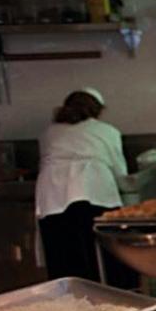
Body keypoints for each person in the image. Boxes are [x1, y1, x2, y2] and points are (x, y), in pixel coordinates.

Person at [36, 88, 138, 288]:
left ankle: (69, 305)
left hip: (52, 194)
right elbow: (120, 171)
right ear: (98, 110)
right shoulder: (107, 131)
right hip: (94, 189)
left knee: (63, 252)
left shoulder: (49, 132)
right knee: (105, 250)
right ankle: (114, 299)